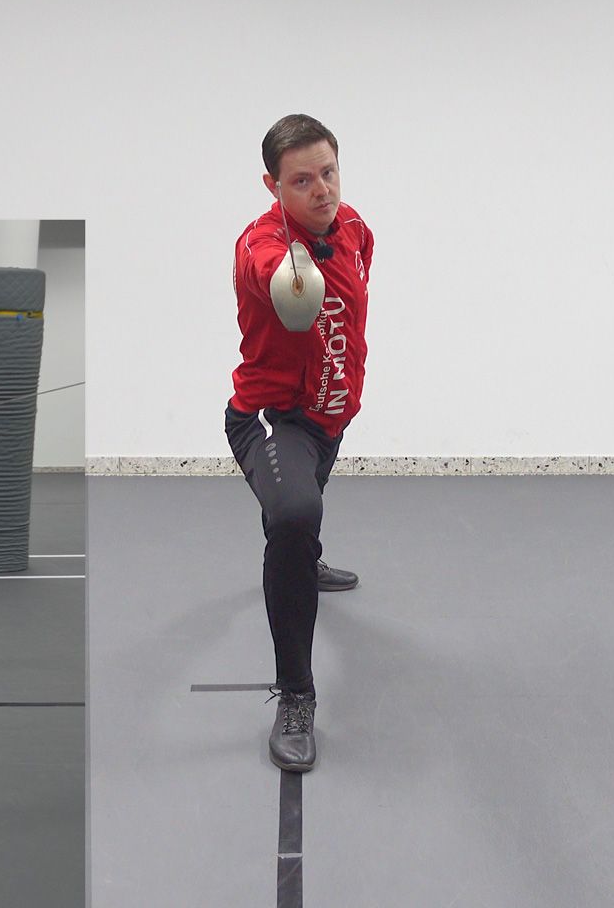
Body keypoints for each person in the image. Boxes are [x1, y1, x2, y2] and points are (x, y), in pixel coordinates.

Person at [227, 113, 375, 772]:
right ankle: (295, 695)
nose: (322, 190)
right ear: (273, 185)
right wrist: (291, 273)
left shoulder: (356, 230)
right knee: (293, 513)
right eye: (302, 181)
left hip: (329, 418)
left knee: (299, 513)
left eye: (329, 173)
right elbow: (271, 272)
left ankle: (301, 561)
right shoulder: (262, 246)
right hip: (271, 418)